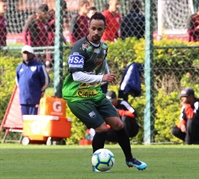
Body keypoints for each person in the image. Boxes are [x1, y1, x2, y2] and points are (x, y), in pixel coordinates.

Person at [62, 12, 147, 172]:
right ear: (88, 27)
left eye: (99, 29)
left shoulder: (103, 47)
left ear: (104, 30)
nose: (96, 32)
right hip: (76, 97)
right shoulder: (79, 48)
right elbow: (76, 74)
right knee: (101, 128)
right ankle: (96, 165)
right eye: (93, 28)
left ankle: (130, 159)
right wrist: (102, 78)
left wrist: (106, 78)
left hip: (94, 93)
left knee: (118, 124)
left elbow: (102, 64)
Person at [16, 45, 49, 116]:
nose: (26, 55)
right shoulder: (19, 68)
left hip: (34, 99)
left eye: (28, 53)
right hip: (23, 100)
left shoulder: (39, 66)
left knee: (33, 121)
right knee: (25, 122)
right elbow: (18, 82)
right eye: (24, 53)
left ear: (32, 54)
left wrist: (39, 91)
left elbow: (46, 81)